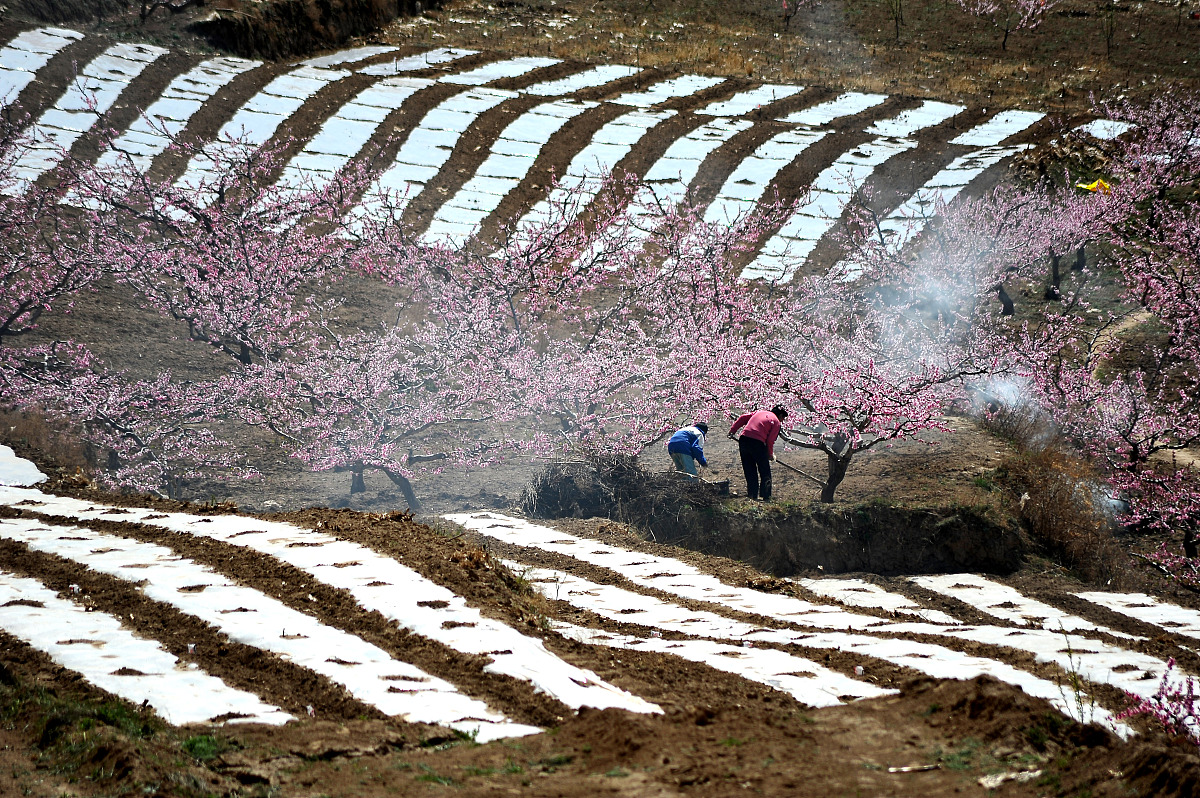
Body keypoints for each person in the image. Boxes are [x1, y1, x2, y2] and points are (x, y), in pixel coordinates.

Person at [728, 405, 787, 501]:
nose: (782, 421)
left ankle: (752, 494)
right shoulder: (776, 422)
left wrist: (732, 431)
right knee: (765, 471)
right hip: (757, 443)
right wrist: (770, 454)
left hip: (744, 439)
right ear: (780, 415)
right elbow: (770, 441)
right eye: (783, 418)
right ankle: (766, 496)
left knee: (749, 469)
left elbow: (742, 418)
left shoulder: (759, 412)